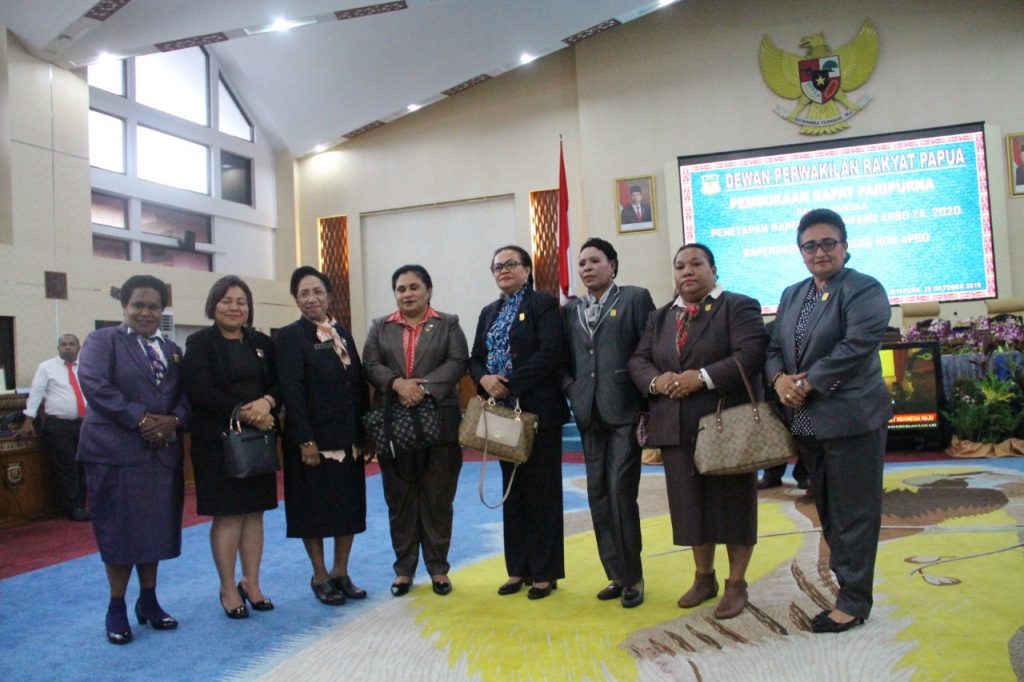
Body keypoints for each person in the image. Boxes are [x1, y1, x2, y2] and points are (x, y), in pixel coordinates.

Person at [765, 208, 892, 634]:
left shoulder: (863, 289)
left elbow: (856, 346)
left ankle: (853, 602)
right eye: (810, 246)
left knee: (855, 511)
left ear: (845, 246)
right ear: (800, 251)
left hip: (852, 419)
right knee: (829, 510)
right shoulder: (792, 294)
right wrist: (779, 380)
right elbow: (773, 348)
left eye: (828, 243)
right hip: (806, 423)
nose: (819, 252)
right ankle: (847, 584)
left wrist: (807, 383)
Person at [628, 244, 768, 619]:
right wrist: (657, 381)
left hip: (725, 427)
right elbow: (638, 360)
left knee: (734, 506)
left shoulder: (738, 306)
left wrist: (701, 378)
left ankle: (736, 584)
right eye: (679, 266)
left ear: (713, 269)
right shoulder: (660, 317)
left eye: (695, 264)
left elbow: (750, 355)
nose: (687, 271)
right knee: (691, 508)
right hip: (676, 427)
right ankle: (704, 577)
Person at [76, 275, 188, 645]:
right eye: (138, 305)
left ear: (162, 310)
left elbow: (185, 396)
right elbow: (95, 385)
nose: (145, 312)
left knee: (153, 531)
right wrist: (141, 419)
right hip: (115, 454)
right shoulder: (102, 341)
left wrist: (173, 421)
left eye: (153, 306)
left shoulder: (172, 349)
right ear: (124, 306)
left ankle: (149, 600)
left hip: (160, 454)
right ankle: (116, 606)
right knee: (119, 532)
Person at [469, 245, 569, 600]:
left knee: (542, 492)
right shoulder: (489, 311)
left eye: (510, 264)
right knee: (512, 492)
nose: (503, 270)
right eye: (497, 266)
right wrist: (484, 379)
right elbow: (475, 358)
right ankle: (518, 569)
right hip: (501, 412)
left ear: (527, 269)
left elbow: (550, 352)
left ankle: (545, 572)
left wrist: (509, 383)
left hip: (537, 412)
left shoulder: (542, 304)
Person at [363, 264, 468, 597]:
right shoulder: (380, 327)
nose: (407, 294)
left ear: (428, 290)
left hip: (440, 423)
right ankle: (404, 571)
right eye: (400, 289)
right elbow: (370, 364)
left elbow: (457, 362)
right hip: (394, 424)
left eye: (413, 287)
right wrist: (398, 384)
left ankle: (438, 568)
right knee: (400, 500)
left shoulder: (448, 324)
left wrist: (421, 389)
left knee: (438, 498)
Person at [561, 238, 654, 608]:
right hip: (588, 411)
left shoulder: (634, 298)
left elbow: (648, 349)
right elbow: (563, 358)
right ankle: (615, 574)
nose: (586, 268)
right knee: (597, 495)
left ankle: (633, 577)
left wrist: (646, 400)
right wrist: (571, 388)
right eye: (582, 263)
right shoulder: (571, 310)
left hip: (624, 410)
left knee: (619, 492)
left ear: (613, 265)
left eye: (594, 261)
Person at [182, 276, 279, 619]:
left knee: (255, 513)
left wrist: (268, 402)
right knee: (228, 515)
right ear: (213, 305)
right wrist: (242, 412)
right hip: (218, 445)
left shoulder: (261, 342)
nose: (234, 307)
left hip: (257, 443)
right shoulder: (199, 343)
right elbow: (199, 391)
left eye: (241, 301)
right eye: (227, 300)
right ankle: (227, 587)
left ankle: (251, 582)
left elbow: (277, 383)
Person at [275, 266, 370, 606]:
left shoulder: (341, 332)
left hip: (348, 438)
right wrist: (305, 440)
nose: (311, 298)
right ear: (296, 300)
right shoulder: (290, 337)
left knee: (348, 508)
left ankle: (340, 571)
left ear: (329, 296)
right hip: (312, 442)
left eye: (317, 292)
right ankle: (320, 575)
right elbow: (292, 391)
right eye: (304, 293)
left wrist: (365, 434)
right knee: (312, 511)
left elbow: (357, 384)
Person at [19, 334, 90, 520]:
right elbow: (36, 394)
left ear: (79, 347)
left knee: (84, 465)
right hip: (59, 425)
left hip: (85, 424)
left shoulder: (86, 366)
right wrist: (28, 420)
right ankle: (73, 507)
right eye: (63, 344)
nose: (67, 347)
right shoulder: (46, 367)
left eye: (71, 344)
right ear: (58, 348)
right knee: (68, 467)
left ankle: (82, 504)